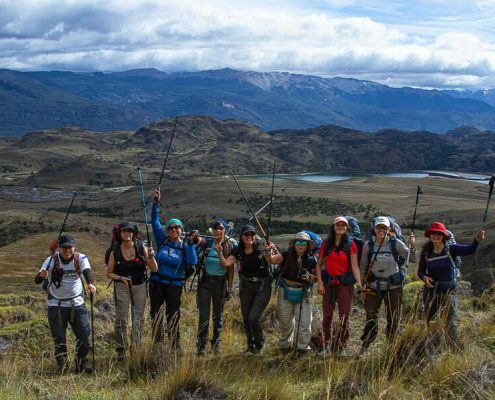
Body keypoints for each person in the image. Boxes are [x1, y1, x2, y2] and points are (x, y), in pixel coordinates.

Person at [34, 234, 96, 373]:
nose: (67, 250)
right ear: (59, 248)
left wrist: (91, 284)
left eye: (70, 247)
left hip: (77, 303)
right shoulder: (51, 260)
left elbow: (87, 272)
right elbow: (37, 280)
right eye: (64, 248)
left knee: (84, 335)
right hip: (56, 304)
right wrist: (41, 275)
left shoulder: (81, 258)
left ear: (74, 247)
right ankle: (62, 365)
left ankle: (81, 364)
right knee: (59, 337)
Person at [417, 222, 484, 347]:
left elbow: (469, 250)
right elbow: (420, 271)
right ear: (430, 235)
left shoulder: (451, 249)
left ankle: (452, 346)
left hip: (449, 291)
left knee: (451, 321)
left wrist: (476, 240)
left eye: (439, 234)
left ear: (443, 236)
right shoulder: (426, 252)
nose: (436, 236)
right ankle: (431, 344)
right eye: (433, 234)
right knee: (430, 320)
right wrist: (424, 278)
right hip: (431, 291)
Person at [150, 188, 198, 353]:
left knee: (173, 315)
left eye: (177, 227)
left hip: (174, 286)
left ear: (181, 230)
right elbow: (154, 221)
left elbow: (192, 262)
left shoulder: (185, 245)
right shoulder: (162, 240)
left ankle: (175, 346)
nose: (173, 230)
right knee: (156, 315)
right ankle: (157, 346)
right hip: (157, 284)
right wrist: (156, 203)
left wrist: (190, 245)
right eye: (170, 227)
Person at [218, 224, 278, 355]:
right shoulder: (238, 250)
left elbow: (272, 260)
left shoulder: (262, 247)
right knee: (246, 318)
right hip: (246, 287)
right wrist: (219, 252)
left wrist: (270, 251)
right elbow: (226, 263)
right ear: (242, 237)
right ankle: (250, 345)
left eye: (252, 234)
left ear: (255, 236)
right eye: (246, 234)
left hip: (263, 287)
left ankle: (259, 343)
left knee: (253, 318)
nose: (249, 237)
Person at [359, 216, 414, 353]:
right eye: (379, 227)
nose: (381, 230)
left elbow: (412, 259)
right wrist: (361, 284)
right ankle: (367, 343)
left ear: (389, 229)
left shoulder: (396, 244)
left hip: (394, 287)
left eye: (384, 227)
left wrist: (412, 246)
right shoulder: (368, 245)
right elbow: (363, 266)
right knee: (370, 316)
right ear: (374, 229)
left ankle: (391, 346)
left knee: (393, 317)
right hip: (373, 286)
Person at [106, 221, 158, 361]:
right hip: (122, 286)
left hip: (139, 286)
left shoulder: (141, 247)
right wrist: (120, 278)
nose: (127, 234)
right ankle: (121, 350)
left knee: (139, 318)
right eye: (124, 231)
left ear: (133, 233)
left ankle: (136, 346)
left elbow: (154, 268)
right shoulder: (115, 251)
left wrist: (151, 256)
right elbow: (109, 273)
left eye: (129, 231)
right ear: (120, 233)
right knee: (121, 318)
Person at [316, 216, 362, 356]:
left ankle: (342, 346)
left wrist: (359, 284)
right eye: (338, 225)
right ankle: (326, 345)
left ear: (347, 228)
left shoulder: (351, 245)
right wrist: (320, 283)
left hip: (345, 285)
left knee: (344, 316)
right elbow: (318, 265)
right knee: (327, 316)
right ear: (334, 227)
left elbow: (355, 267)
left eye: (343, 225)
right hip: (328, 284)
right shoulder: (326, 244)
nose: (340, 227)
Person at [195, 218, 237, 355]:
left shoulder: (230, 245)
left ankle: (216, 344)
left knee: (218, 315)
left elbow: (230, 269)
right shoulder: (207, 242)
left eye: (221, 228)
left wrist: (229, 288)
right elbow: (198, 241)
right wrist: (195, 237)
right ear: (212, 230)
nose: (218, 231)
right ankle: (201, 346)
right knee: (204, 315)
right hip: (205, 282)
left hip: (220, 283)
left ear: (225, 230)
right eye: (215, 228)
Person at [274, 232, 316, 355]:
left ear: (307, 245)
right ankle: (285, 346)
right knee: (285, 322)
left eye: (303, 243)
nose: (300, 245)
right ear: (294, 244)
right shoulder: (285, 256)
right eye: (298, 242)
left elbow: (317, 277)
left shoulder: (312, 260)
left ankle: (302, 348)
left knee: (304, 322)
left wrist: (311, 278)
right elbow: (272, 260)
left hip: (304, 292)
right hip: (285, 290)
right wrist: (267, 252)